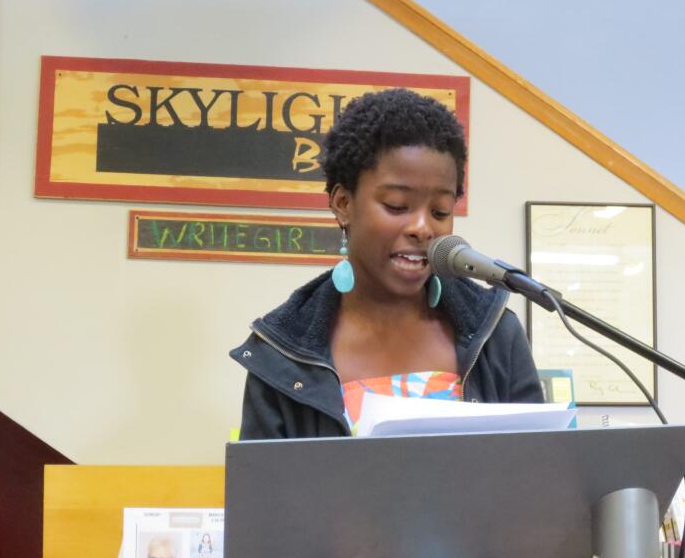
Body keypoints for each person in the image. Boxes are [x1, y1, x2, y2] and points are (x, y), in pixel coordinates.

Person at [232, 88, 542, 439]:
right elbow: (266, 491)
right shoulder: (280, 352)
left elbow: (541, 471)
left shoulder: (496, 333)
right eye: (397, 205)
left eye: (440, 211)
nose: (423, 228)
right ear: (343, 203)